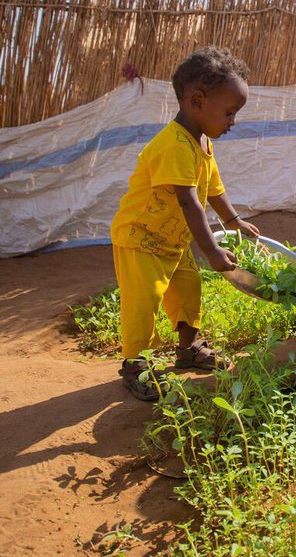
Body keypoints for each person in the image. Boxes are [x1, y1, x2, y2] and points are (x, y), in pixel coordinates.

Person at [111, 47, 260, 400]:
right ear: (197, 102)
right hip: (140, 239)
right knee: (143, 302)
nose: (232, 122)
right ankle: (136, 363)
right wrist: (211, 251)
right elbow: (188, 200)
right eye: (229, 112)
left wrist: (233, 219)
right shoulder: (174, 145)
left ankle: (188, 348)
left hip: (171, 242)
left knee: (188, 291)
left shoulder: (202, 142)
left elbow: (213, 188)